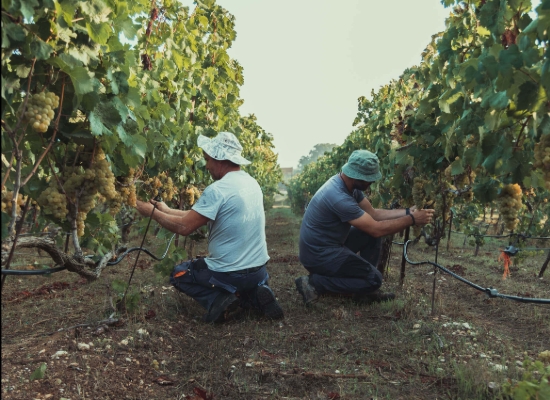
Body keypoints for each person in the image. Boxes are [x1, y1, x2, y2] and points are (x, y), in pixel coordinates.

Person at [135, 131, 284, 323]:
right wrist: (165, 209)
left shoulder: (218, 190)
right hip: (259, 270)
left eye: (207, 160)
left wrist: (151, 213)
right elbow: (194, 217)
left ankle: (220, 300)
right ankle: (255, 293)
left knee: (178, 274)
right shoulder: (251, 183)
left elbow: (184, 227)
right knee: (245, 279)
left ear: (219, 160)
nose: (206, 166)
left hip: (230, 273)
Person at [295, 150, 434, 305]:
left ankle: (364, 292)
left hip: (327, 246)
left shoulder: (348, 185)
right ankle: (314, 283)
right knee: (375, 279)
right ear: (356, 176)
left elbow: (373, 214)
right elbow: (376, 228)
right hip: (318, 255)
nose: (372, 182)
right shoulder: (339, 197)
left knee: (370, 236)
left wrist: (408, 211)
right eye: (369, 179)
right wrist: (412, 219)